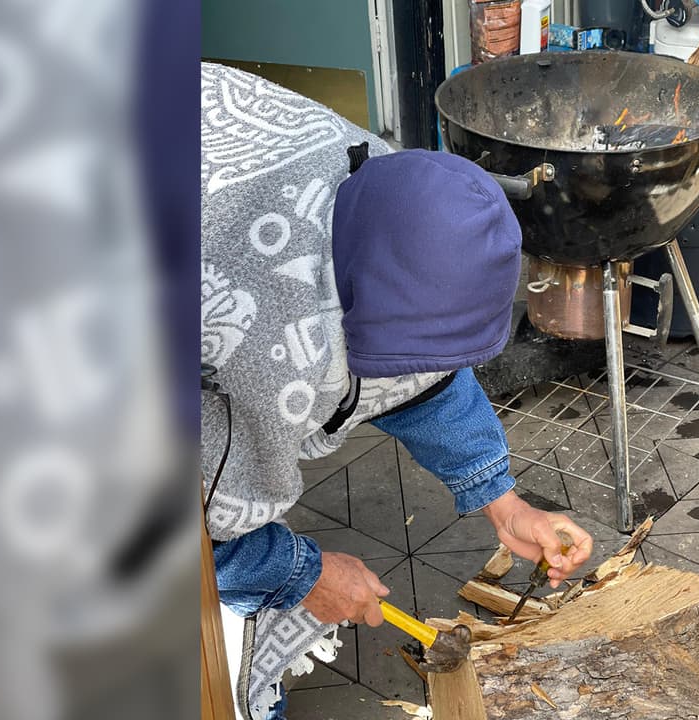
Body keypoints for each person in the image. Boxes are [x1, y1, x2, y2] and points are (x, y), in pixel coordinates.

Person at [199, 62, 594, 718]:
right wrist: (299, 573)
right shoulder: (244, 319)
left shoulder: (399, 194)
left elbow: (423, 373)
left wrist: (502, 500)